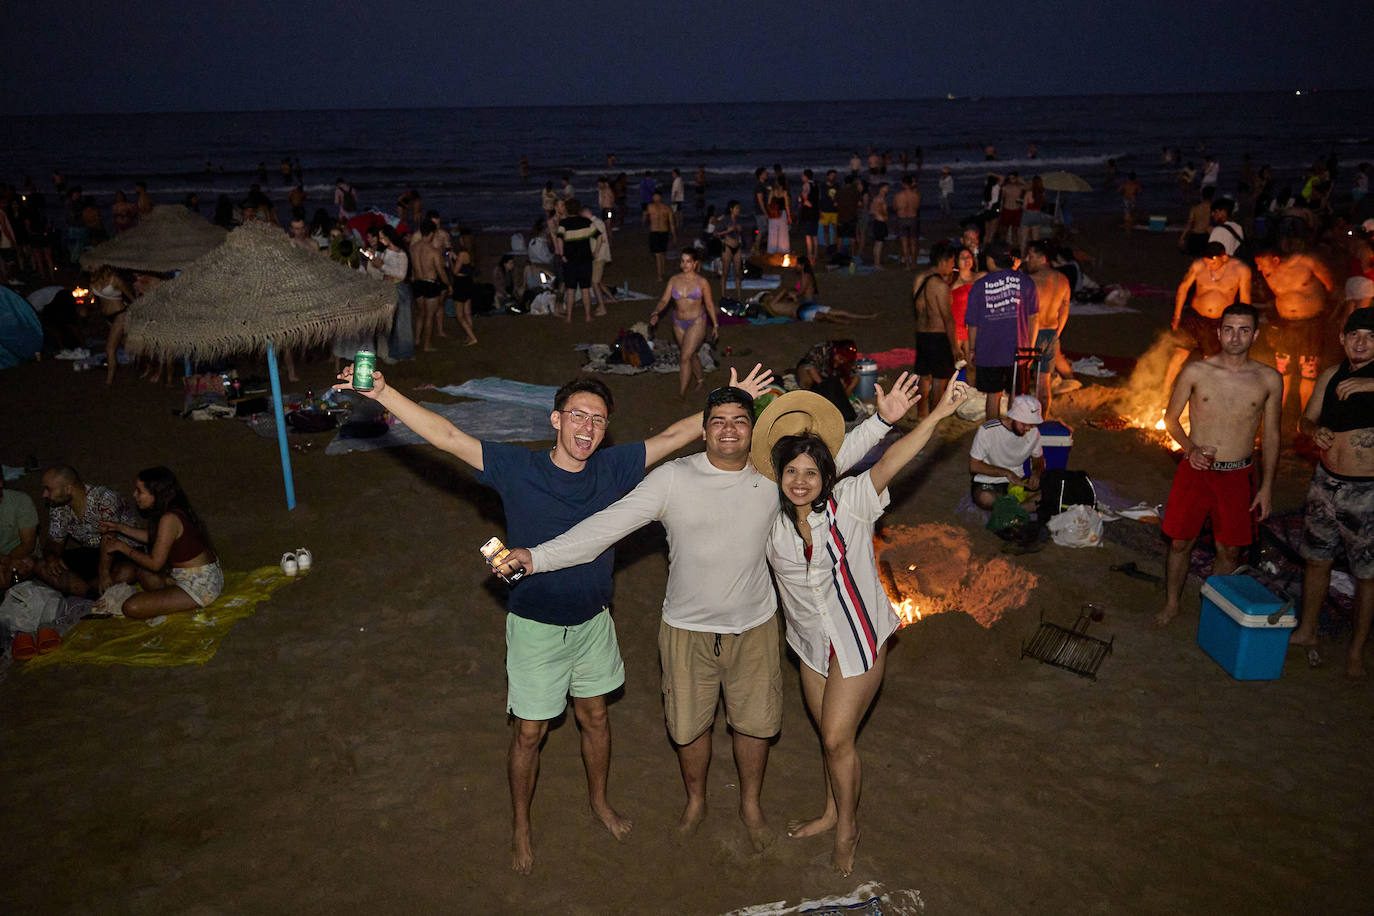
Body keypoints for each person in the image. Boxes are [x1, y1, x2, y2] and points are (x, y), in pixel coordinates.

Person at [333, 362, 774, 874]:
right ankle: (522, 823)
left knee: (595, 717)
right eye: (578, 416)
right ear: (556, 420)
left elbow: (677, 434)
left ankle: (600, 802)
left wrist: (730, 400)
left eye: (599, 420)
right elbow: (448, 436)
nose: (587, 428)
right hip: (535, 625)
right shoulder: (517, 468)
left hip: (593, 622)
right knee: (528, 733)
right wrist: (385, 393)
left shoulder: (615, 469)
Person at [501, 382, 901, 851]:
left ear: (753, 432)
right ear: (703, 431)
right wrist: (538, 556)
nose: (729, 430)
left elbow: (828, 460)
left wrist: (882, 421)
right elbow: (604, 529)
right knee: (688, 728)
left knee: (754, 725)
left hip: (753, 626)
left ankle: (750, 803)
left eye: (739, 421)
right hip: (685, 630)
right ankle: (696, 800)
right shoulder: (672, 479)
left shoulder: (770, 475)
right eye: (718, 422)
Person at [758, 377, 968, 875]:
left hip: (858, 639)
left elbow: (897, 459)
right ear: (779, 476)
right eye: (792, 472)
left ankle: (849, 826)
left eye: (812, 472)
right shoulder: (766, 521)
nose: (802, 481)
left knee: (836, 738)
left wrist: (935, 416)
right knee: (829, 736)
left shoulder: (850, 500)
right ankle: (831, 811)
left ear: (826, 475)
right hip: (810, 645)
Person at [1156, 304, 1282, 626]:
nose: (1235, 336)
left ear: (1254, 334)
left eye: (1243, 330)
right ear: (1219, 331)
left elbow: (1271, 435)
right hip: (1195, 470)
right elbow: (1170, 419)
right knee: (1180, 541)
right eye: (1229, 329)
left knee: (1229, 550)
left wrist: (1266, 487)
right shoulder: (1197, 371)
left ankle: (1211, 606)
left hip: (1239, 474)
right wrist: (1190, 448)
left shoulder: (1268, 378)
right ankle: (1172, 603)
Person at [1290, 309, 1374, 677]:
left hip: (1367, 491)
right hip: (1325, 484)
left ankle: (1356, 650)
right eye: (1355, 335)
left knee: (1366, 574)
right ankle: (1307, 631)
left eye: (1371, 337)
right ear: (1342, 338)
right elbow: (1304, 420)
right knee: (1317, 560)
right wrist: (1313, 432)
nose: (1361, 342)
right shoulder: (1330, 375)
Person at [97, 467, 222, 619]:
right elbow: (156, 538)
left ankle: (178, 599)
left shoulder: (169, 518)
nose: (134, 495)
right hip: (190, 576)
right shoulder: (171, 512)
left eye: (139, 491)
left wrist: (123, 548)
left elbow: (155, 563)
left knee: (131, 607)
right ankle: (171, 597)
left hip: (201, 586)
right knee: (143, 574)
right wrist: (119, 527)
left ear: (156, 494)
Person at [1163, 242, 1254, 397]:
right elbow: (1183, 288)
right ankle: (1163, 392)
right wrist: (1177, 316)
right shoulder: (1198, 266)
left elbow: (1245, 299)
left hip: (1217, 321)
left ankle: (1202, 397)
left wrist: (1245, 324)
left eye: (1212, 263)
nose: (1209, 267)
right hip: (1195, 317)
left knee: (1210, 360)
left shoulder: (1241, 270)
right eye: (1206, 263)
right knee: (1179, 354)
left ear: (1223, 257)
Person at [1254, 246, 1335, 420]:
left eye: (1261, 263)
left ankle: (1306, 418)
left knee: (1308, 372)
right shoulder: (1268, 274)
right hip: (1286, 326)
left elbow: (1330, 286)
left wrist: (1327, 311)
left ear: (1275, 260)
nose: (1259, 268)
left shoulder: (1306, 263)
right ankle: (1276, 417)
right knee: (1282, 372)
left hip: (1310, 325)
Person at [37, 466, 138, 598]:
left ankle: (82, 589)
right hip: (94, 553)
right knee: (41, 565)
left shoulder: (105, 498)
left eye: (48, 489)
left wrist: (104, 573)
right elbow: (54, 541)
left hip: (122, 550)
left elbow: (109, 539)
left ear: (68, 488)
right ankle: (91, 593)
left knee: (127, 572)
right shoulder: (58, 507)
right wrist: (52, 557)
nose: (44, 494)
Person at [966, 246, 1039, 420]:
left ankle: (992, 432)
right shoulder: (1026, 282)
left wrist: (972, 349)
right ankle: (1015, 429)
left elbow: (973, 323)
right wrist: (1029, 349)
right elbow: (1033, 318)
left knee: (993, 394)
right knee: (1016, 393)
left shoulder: (980, 285)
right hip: (1018, 349)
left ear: (991, 261)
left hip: (989, 349)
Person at [648, 248, 719, 399]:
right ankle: (700, 379)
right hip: (678, 322)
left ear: (695, 263)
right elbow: (664, 300)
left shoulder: (702, 282)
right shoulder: (674, 280)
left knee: (684, 356)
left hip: (697, 322)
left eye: (688, 261)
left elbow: (709, 304)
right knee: (690, 353)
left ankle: (681, 393)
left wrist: (715, 325)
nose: (684, 264)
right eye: (682, 261)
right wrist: (656, 312)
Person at [969, 395, 1045, 509]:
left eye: (1032, 424)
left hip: (1017, 483)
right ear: (1013, 417)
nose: (1028, 428)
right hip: (990, 481)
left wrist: (1036, 473)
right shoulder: (988, 430)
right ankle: (1019, 509)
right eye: (1024, 424)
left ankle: (1010, 510)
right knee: (985, 497)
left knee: (1048, 495)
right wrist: (1006, 473)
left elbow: (1038, 459)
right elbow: (974, 466)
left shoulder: (1034, 432)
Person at [1024, 240, 1072, 416]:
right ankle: (1042, 420)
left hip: (1032, 334)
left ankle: (1026, 421)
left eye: (1031, 256)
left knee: (1023, 382)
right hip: (1051, 333)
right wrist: (1057, 333)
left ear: (1043, 258)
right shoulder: (1063, 280)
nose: (1027, 259)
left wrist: (1029, 345)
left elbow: (1031, 317)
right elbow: (1064, 309)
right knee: (1044, 383)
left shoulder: (1031, 281)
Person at [912, 244, 958, 417]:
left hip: (921, 333)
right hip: (938, 335)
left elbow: (918, 308)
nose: (952, 265)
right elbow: (947, 317)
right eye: (952, 261)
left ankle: (921, 413)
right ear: (944, 261)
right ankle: (934, 414)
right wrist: (954, 345)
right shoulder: (940, 285)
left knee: (923, 375)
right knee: (940, 378)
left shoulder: (919, 278)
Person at [556, 198, 603, 323]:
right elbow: (599, 236)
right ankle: (588, 316)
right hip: (585, 260)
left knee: (570, 290)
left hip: (570, 260)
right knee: (585, 289)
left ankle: (569, 317)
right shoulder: (586, 222)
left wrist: (562, 255)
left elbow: (559, 240)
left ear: (566, 209)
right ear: (579, 209)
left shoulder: (563, 223)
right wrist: (596, 252)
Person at [410, 220, 453, 351]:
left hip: (417, 283)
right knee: (429, 315)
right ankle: (427, 345)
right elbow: (440, 271)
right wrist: (448, 284)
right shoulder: (433, 251)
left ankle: (417, 339)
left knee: (420, 313)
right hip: (430, 283)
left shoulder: (413, 248)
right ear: (431, 233)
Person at [0, 476, 39, 588]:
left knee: (21, 567)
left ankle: (12, 588)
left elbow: (28, 544)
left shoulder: (20, 501)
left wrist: (9, 561)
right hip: (3, 559)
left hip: (20, 555)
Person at [718, 200, 744, 301]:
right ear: (731, 209)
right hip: (727, 247)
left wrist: (739, 228)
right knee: (725, 272)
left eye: (739, 208)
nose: (738, 210)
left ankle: (739, 296)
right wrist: (727, 231)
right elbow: (716, 233)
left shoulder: (738, 219)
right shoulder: (725, 219)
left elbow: (740, 231)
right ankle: (723, 296)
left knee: (738, 273)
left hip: (737, 247)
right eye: (737, 208)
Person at [1179, 187, 1215, 258]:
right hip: (1206, 236)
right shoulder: (1215, 210)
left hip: (1194, 236)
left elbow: (1189, 224)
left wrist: (1182, 237)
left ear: (1202, 196)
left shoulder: (1195, 208)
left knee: (1195, 260)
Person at [767, 177, 792, 255]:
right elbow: (787, 206)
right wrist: (789, 216)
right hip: (782, 213)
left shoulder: (772, 192)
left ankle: (771, 250)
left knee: (772, 232)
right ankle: (783, 250)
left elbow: (768, 204)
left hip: (773, 214)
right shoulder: (785, 193)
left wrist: (768, 213)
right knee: (783, 233)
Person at [867, 182, 889, 267]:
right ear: (881, 188)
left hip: (877, 221)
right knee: (879, 244)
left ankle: (876, 262)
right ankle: (877, 263)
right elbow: (882, 210)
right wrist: (884, 215)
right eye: (886, 188)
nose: (887, 190)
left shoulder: (876, 198)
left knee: (877, 243)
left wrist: (877, 213)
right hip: (880, 221)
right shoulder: (881, 198)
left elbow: (872, 210)